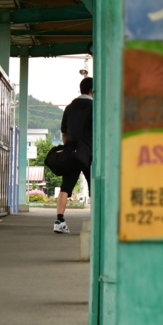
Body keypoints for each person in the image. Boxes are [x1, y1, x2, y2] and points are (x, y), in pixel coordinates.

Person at [55, 77, 93, 233]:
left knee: (66, 186)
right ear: (92, 90)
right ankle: (96, 220)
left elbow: (64, 133)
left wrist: (69, 147)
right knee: (94, 186)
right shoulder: (94, 106)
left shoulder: (69, 107)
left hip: (72, 151)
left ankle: (59, 220)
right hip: (89, 152)